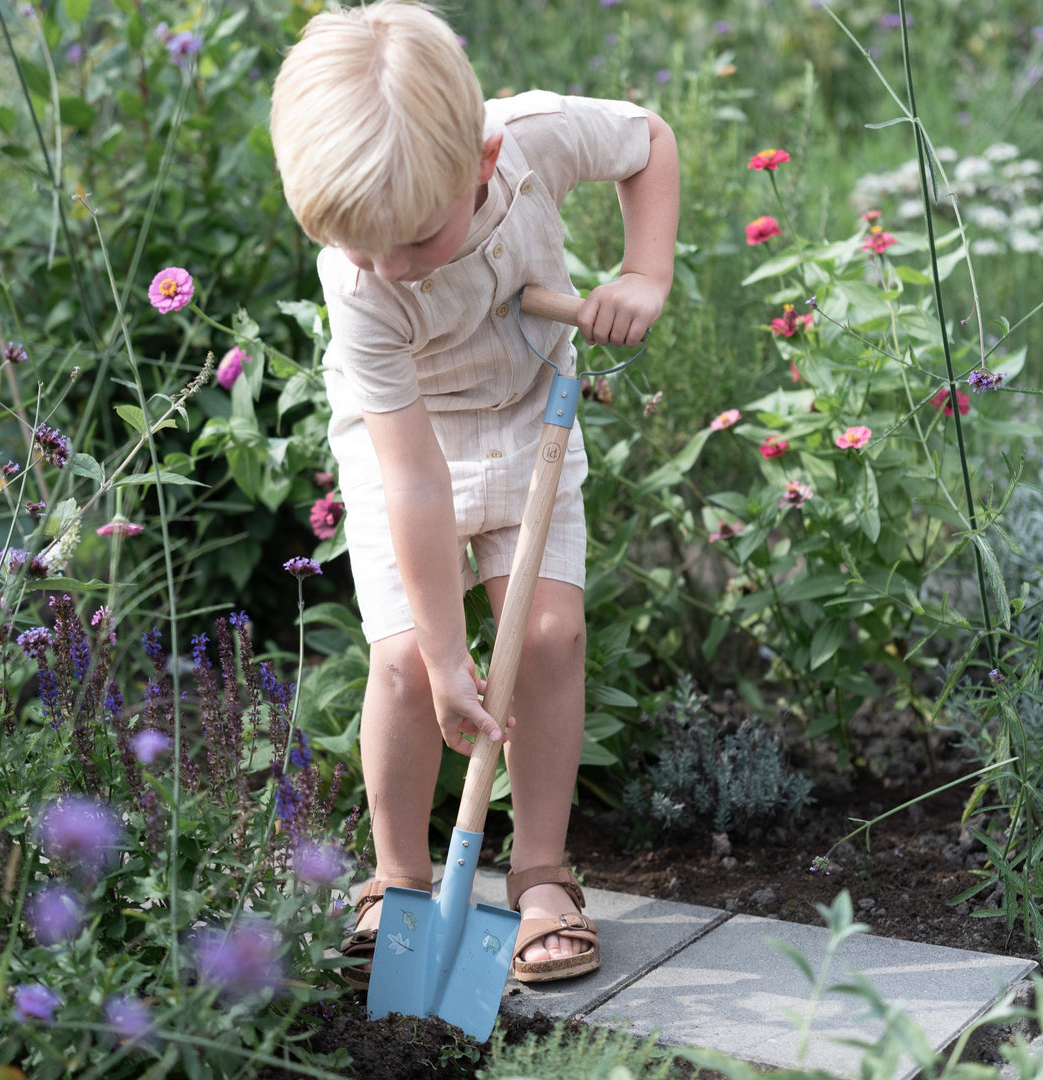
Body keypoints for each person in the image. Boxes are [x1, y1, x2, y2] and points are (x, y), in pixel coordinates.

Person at [270, 0, 679, 986]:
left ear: (484, 165)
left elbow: (650, 142)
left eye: (413, 240)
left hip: (527, 410)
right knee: (412, 665)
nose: (391, 269)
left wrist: (643, 270)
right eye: (361, 247)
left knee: (546, 638)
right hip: (404, 441)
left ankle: (541, 874)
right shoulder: (360, 280)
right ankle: (401, 878)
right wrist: (452, 655)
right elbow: (412, 478)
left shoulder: (533, 136)